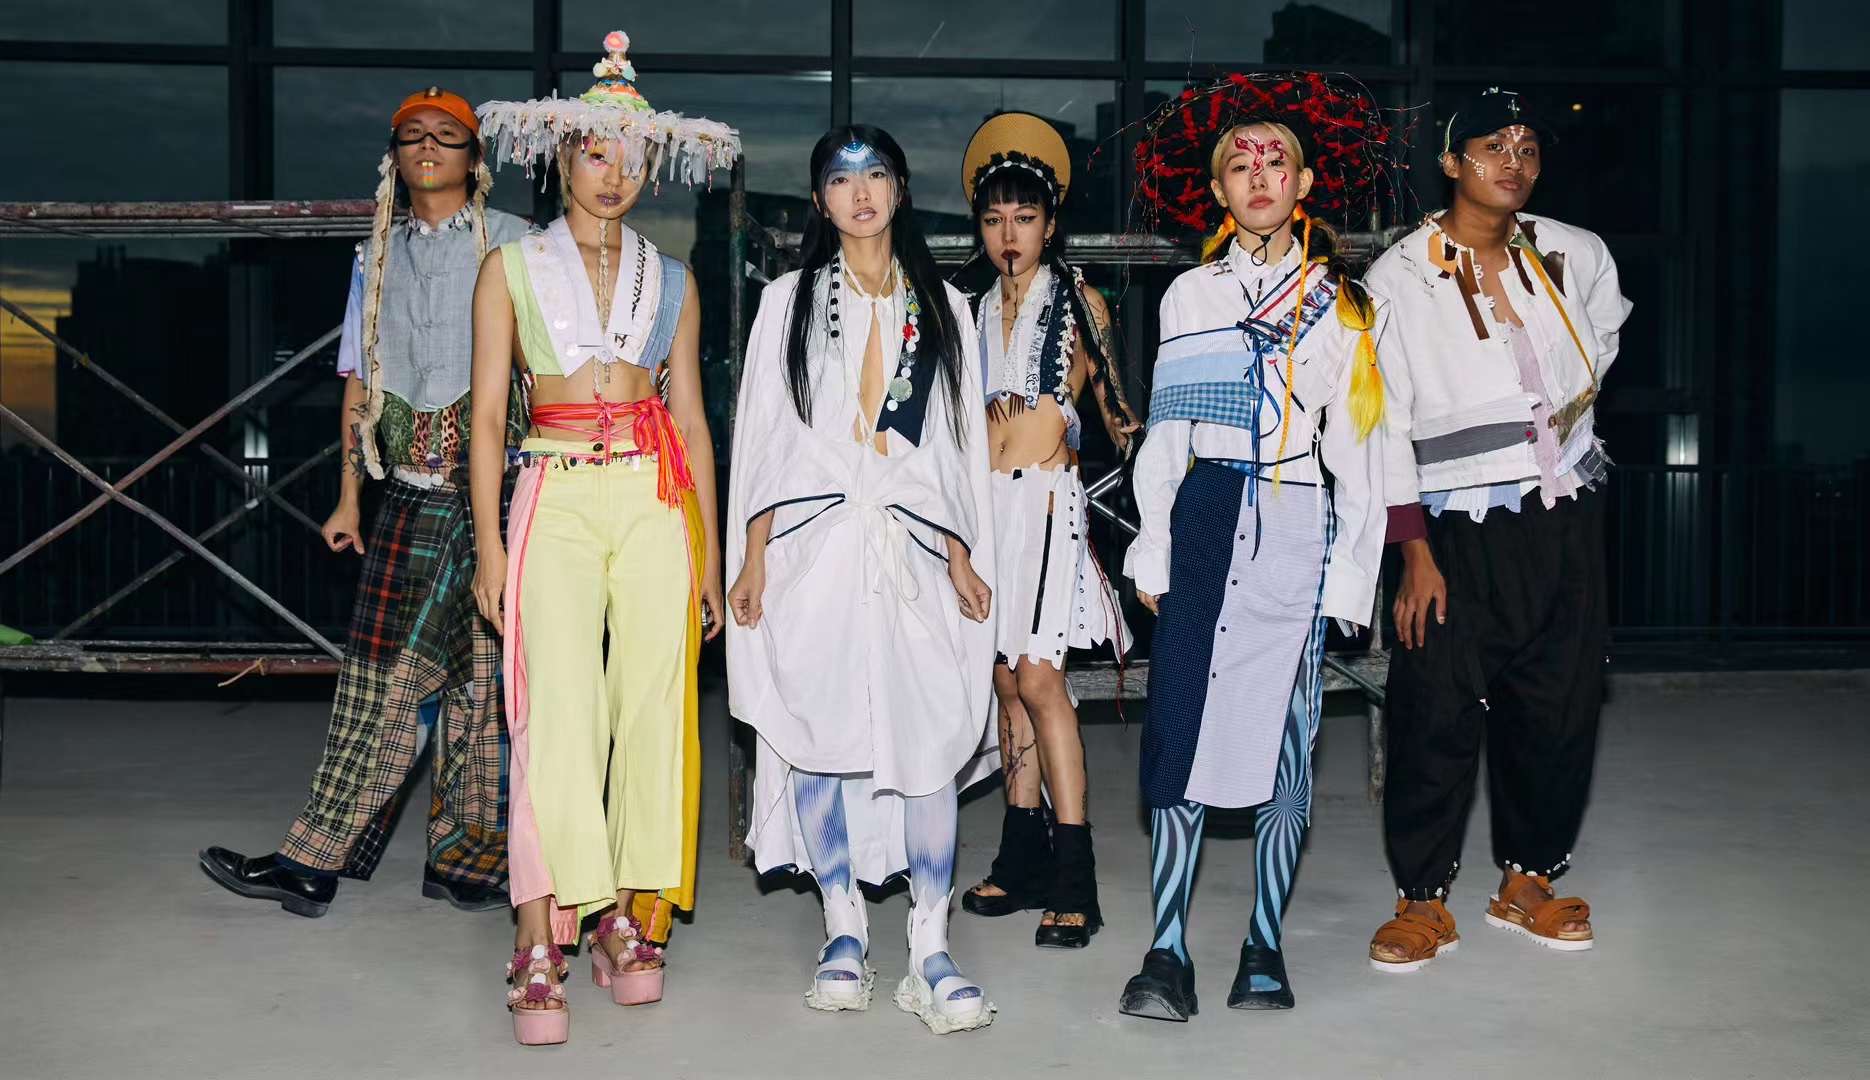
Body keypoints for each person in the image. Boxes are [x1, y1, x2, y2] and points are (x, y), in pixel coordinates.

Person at [469, 30, 740, 1044]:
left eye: (631, 157)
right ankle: (539, 930)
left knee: (653, 707)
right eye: (596, 153)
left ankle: (626, 916)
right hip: (556, 486)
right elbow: (486, 419)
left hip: (654, 493)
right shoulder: (510, 268)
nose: (614, 173)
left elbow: (694, 419)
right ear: (562, 157)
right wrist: (490, 546)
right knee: (556, 710)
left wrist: (708, 552)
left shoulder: (672, 279)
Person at [199, 87, 527, 918]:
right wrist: (349, 496)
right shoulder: (373, 255)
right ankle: (468, 865)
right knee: (455, 677)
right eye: (413, 136)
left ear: (474, 159)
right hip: (406, 492)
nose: (428, 147)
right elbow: (358, 381)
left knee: (413, 680)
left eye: (447, 136)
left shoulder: (519, 243)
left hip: (492, 494)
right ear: (395, 157)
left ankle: (315, 859)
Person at [1121, 96, 1392, 1019]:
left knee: (1288, 741)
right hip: (1206, 508)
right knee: (1179, 733)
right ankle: (1166, 951)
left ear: (1304, 182)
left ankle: (1263, 943)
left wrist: (1350, 573)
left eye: (1276, 163)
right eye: (1240, 166)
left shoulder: (1342, 303)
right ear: (1218, 190)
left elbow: (1359, 450)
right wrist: (1153, 546)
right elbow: (1167, 430)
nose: (1260, 177)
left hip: (1295, 516)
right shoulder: (1189, 296)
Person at [726, 125, 999, 1035]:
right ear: (820, 200)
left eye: (876, 174)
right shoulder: (788, 302)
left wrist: (962, 552)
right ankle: (842, 925)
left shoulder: (944, 307)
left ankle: (930, 942)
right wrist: (754, 553)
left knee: (928, 728)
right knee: (817, 729)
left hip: (914, 549)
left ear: (900, 188)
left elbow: (958, 444)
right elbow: (764, 437)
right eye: (842, 181)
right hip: (816, 547)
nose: (861, 193)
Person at [1365, 87, 1627, 973]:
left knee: (1559, 701)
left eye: (1528, 148)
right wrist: (1413, 553)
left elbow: (1603, 335)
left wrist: (1561, 422)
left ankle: (1529, 880)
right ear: (1451, 162)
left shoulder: (1573, 252)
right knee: (1435, 707)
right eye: (1492, 147)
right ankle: (1421, 897)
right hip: (1454, 527)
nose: (1513, 163)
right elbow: (1385, 422)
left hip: (1565, 511)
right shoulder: (1400, 277)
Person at [952, 112, 1138, 951]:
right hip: (983, 510)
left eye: (1024, 218)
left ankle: (1075, 878)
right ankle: (1020, 857)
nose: (1008, 234)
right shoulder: (966, 309)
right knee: (1004, 683)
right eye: (994, 219)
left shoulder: (1080, 301)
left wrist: (1156, 503)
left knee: (1039, 681)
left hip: (1047, 506)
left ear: (1050, 223)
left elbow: (1119, 410)